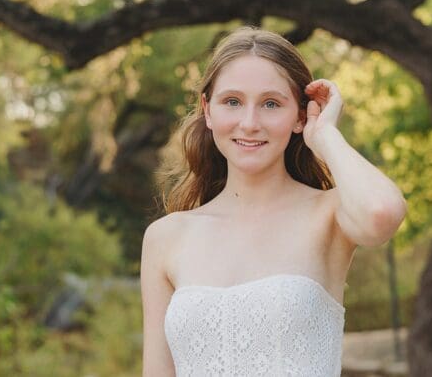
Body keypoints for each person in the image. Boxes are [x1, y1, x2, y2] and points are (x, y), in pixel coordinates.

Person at [140, 26, 407, 376]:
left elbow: (381, 214)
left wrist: (324, 134)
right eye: (232, 101)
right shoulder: (166, 237)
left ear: (299, 114)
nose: (249, 123)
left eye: (271, 104)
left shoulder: (328, 215)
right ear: (208, 110)